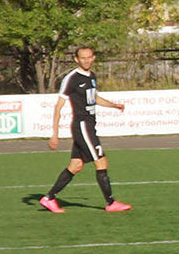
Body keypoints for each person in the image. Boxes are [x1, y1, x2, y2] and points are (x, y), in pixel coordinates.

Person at [38, 46, 132, 213]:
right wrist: (55, 134)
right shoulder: (71, 78)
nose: (86, 60)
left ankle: (49, 198)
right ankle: (111, 203)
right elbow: (58, 107)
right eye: (83, 58)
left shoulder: (92, 76)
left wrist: (113, 105)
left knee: (76, 165)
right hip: (82, 126)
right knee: (101, 161)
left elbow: (93, 97)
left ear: (93, 57)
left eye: (89, 57)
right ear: (77, 59)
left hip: (89, 125)